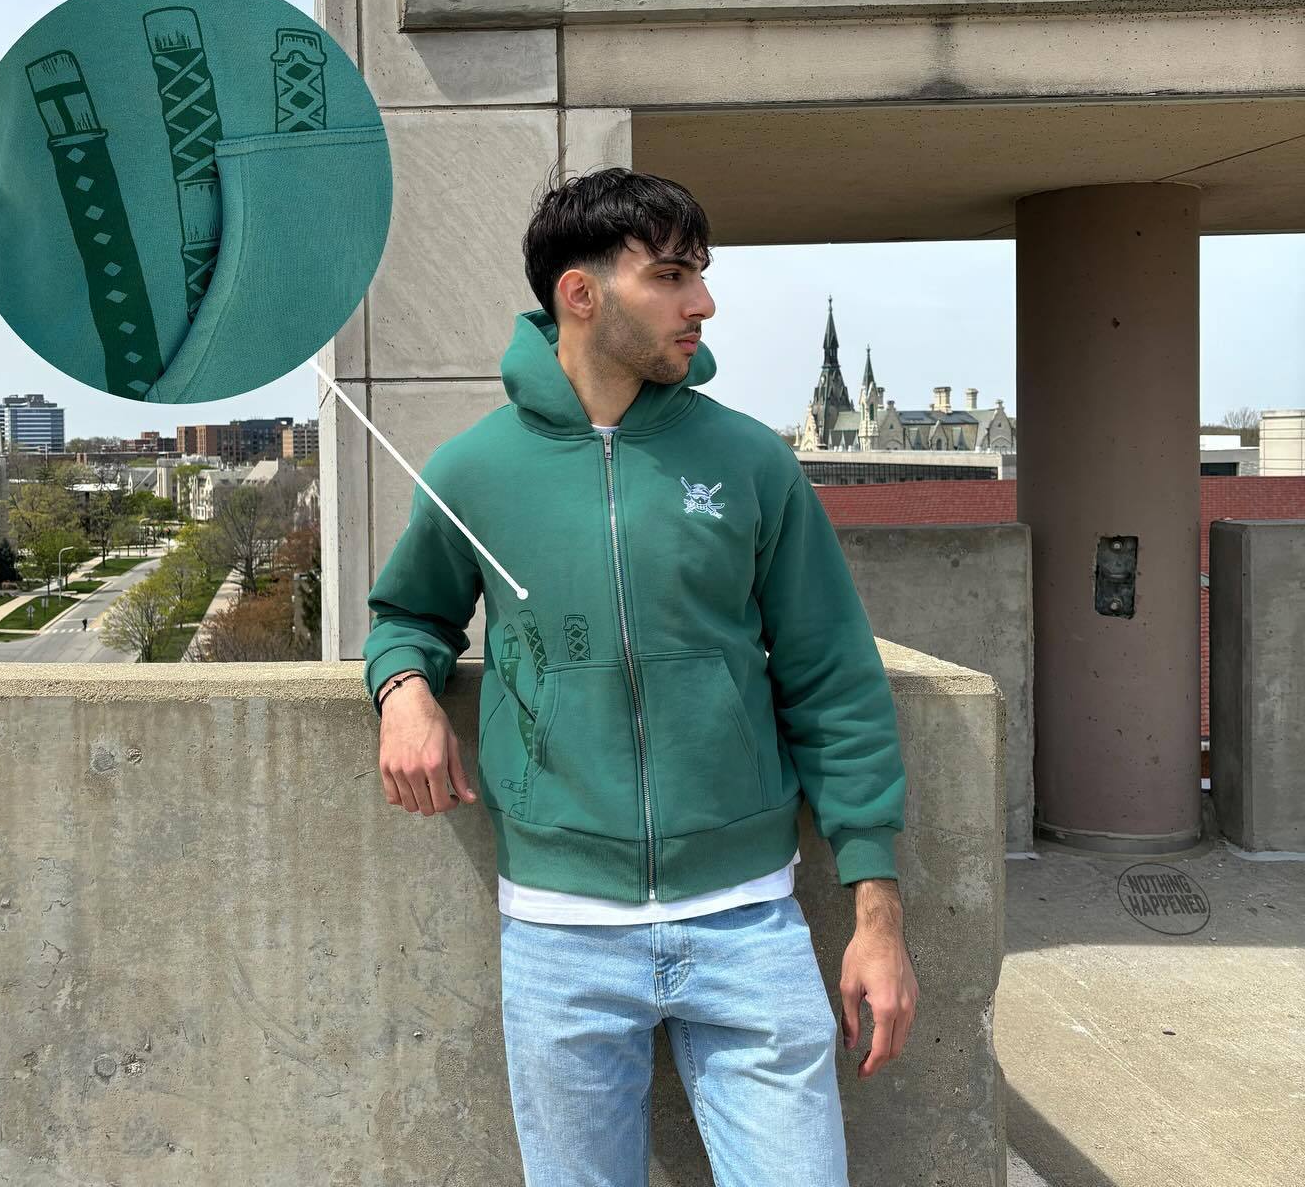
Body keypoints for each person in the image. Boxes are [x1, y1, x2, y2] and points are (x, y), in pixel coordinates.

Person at [363, 166, 916, 1187]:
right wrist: (405, 689)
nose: (703, 301)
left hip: (749, 920)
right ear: (580, 294)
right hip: (560, 935)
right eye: (670, 276)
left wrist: (876, 913)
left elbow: (833, 677)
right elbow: (408, 614)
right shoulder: (473, 471)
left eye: (699, 272)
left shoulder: (752, 462)